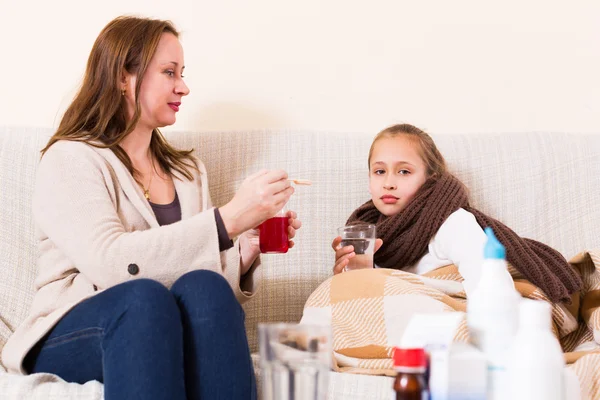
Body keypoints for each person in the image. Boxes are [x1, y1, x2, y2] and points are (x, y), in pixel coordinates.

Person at [1, 16, 302, 400]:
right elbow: (110, 264)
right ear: (122, 78)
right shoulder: (71, 159)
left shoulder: (188, 171)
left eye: (182, 73)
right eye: (169, 72)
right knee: (143, 299)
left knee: (206, 286)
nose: (184, 87)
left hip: (159, 323)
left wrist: (243, 250)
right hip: (74, 328)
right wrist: (225, 221)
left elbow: (197, 284)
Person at [331, 123, 581, 303]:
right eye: (379, 171)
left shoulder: (451, 223)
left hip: (454, 311)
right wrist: (352, 274)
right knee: (325, 297)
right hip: (406, 316)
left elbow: (488, 285)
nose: (389, 183)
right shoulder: (368, 229)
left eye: (404, 171)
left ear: (431, 179)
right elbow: (372, 299)